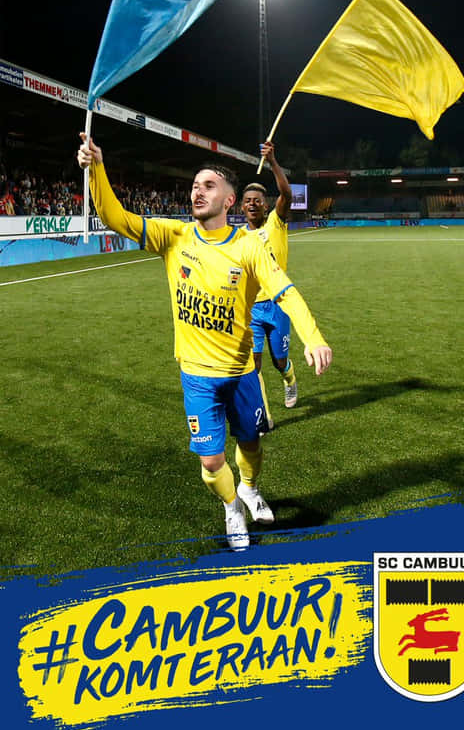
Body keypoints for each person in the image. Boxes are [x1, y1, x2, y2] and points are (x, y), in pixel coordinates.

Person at [77, 134, 332, 552]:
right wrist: (96, 168)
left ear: (229, 201)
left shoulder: (250, 246)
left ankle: (249, 488)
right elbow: (113, 216)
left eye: (208, 185)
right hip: (196, 376)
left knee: (251, 443)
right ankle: (232, 507)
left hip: (241, 372)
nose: (197, 190)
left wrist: (313, 337)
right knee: (212, 461)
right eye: (195, 185)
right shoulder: (173, 236)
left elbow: (283, 289)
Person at [241, 142, 296, 432]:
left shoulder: (276, 222)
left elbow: (287, 194)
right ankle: (263, 415)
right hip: (252, 310)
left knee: (279, 360)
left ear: (265, 204)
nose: (253, 203)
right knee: (255, 365)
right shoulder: (238, 237)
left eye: (258, 200)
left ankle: (290, 379)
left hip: (279, 304)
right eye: (248, 200)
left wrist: (273, 161)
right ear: (241, 205)